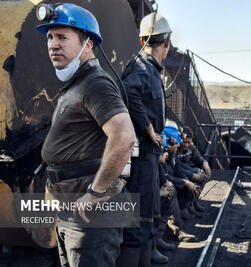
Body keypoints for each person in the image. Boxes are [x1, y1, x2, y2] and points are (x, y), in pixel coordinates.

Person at [36, 3, 135, 267]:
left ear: (87, 45)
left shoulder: (96, 83)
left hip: (91, 216)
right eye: (49, 37)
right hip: (71, 209)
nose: (53, 44)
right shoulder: (76, 83)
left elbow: (124, 137)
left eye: (62, 37)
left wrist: (96, 192)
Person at [117, 12, 172, 267]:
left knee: (149, 207)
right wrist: (149, 128)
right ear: (167, 42)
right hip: (140, 152)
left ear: (142, 40)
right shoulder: (141, 67)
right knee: (138, 214)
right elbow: (130, 93)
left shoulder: (149, 69)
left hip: (150, 151)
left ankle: (148, 255)